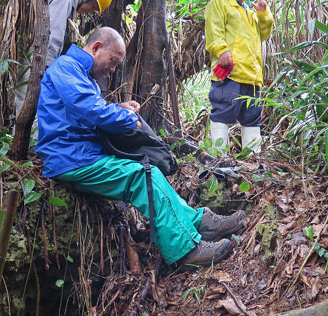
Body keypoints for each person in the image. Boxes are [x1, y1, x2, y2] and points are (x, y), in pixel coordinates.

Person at [35, 26, 246, 267]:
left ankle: (201, 223)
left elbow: (85, 110)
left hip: (82, 154)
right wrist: (128, 120)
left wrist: (119, 108)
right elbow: (90, 110)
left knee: (150, 172)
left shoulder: (81, 75)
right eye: (113, 61)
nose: (113, 70)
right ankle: (186, 251)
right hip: (71, 158)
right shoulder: (66, 67)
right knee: (142, 176)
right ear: (96, 48)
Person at [14, 0, 112, 134]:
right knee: (31, 101)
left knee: (26, 99)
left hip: (32, 55)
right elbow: (51, 36)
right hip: (35, 58)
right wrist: (45, 67)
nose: (89, 12)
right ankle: (29, 145)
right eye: (92, 7)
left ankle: (26, 143)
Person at [204, 0, 274, 153]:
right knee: (223, 112)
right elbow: (214, 29)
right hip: (230, 72)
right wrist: (221, 50)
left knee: (252, 116)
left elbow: (263, 34)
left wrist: (263, 13)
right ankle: (218, 158)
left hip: (251, 76)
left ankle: (253, 161)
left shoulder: (251, 12)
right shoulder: (221, 3)